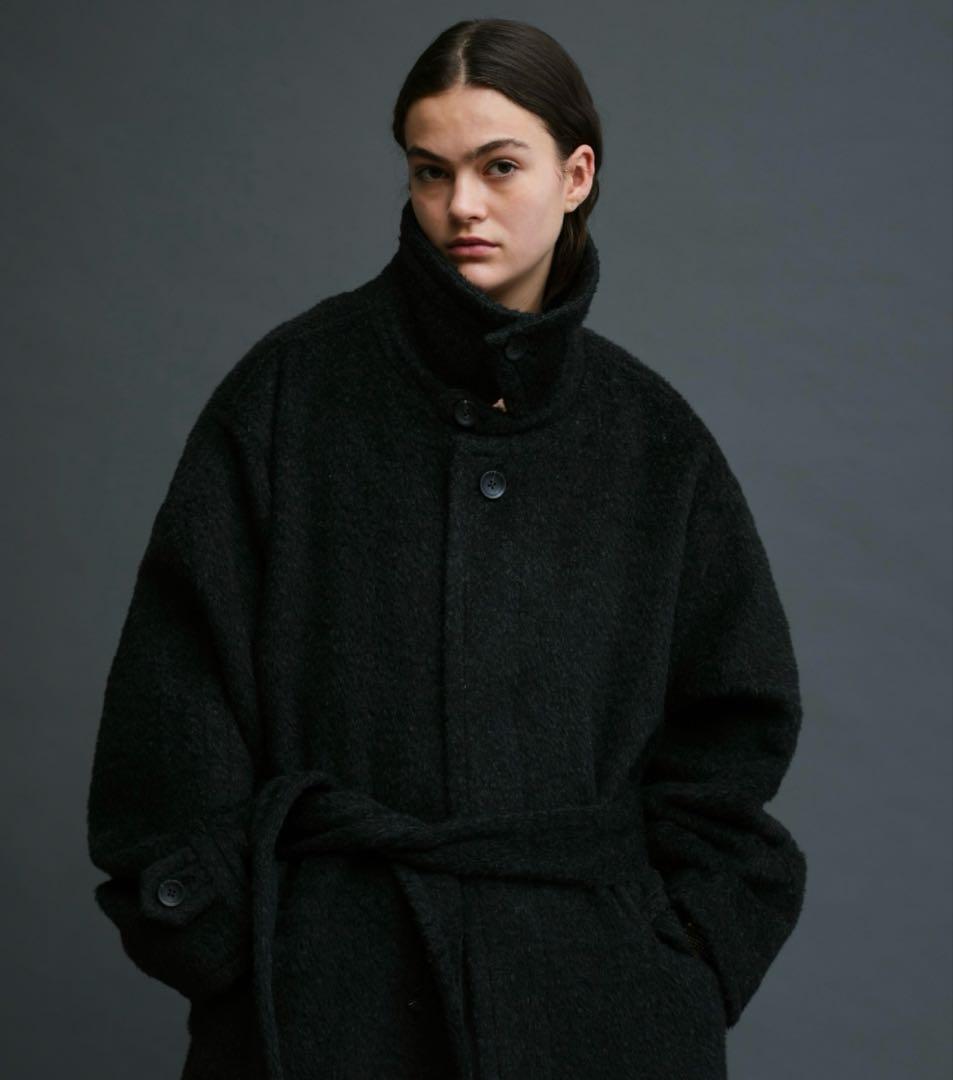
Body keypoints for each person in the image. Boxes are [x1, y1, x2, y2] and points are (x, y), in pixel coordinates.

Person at [86, 17, 807, 1080]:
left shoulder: (652, 440)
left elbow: (734, 728)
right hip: (330, 1008)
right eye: (432, 171)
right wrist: (230, 942)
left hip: (599, 1019)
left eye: (497, 166)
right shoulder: (289, 396)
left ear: (575, 176)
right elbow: (170, 700)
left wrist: (681, 957)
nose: (461, 204)